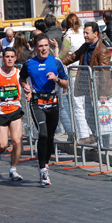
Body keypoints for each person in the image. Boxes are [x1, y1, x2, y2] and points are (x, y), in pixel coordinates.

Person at [20, 34, 69, 187]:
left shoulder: (56, 62)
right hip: (37, 102)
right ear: (35, 48)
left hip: (53, 102)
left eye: (46, 45)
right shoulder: (29, 63)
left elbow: (66, 83)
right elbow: (22, 78)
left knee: (49, 137)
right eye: (40, 46)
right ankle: (42, 169)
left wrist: (56, 79)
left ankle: (45, 163)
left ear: (49, 46)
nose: (43, 49)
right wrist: (25, 86)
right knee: (42, 133)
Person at [62, 21, 112, 143]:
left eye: (87, 33)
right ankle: (96, 138)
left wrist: (103, 93)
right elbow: (73, 56)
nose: (84, 35)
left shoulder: (102, 50)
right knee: (89, 116)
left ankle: (104, 145)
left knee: (102, 117)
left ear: (96, 34)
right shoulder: (85, 46)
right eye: (84, 32)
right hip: (87, 86)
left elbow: (104, 72)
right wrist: (58, 62)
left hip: (99, 89)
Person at [0, 47, 24, 181]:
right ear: (3, 58)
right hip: (0, 111)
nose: (9, 59)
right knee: (3, 144)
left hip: (15, 110)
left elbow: (26, 86)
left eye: (12, 56)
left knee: (17, 141)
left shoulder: (19, 74)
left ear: (15, 58)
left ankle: (13, 169)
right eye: (7, 56)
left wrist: (29, 92)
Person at [59, 13, 88, 142]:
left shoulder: (68, 37)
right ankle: (90, 133)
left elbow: (62, 56)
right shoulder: (85, 33)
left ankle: (83, 134)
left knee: (78, 106)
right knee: (87, 105)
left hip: (74, 73)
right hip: (87, 71)